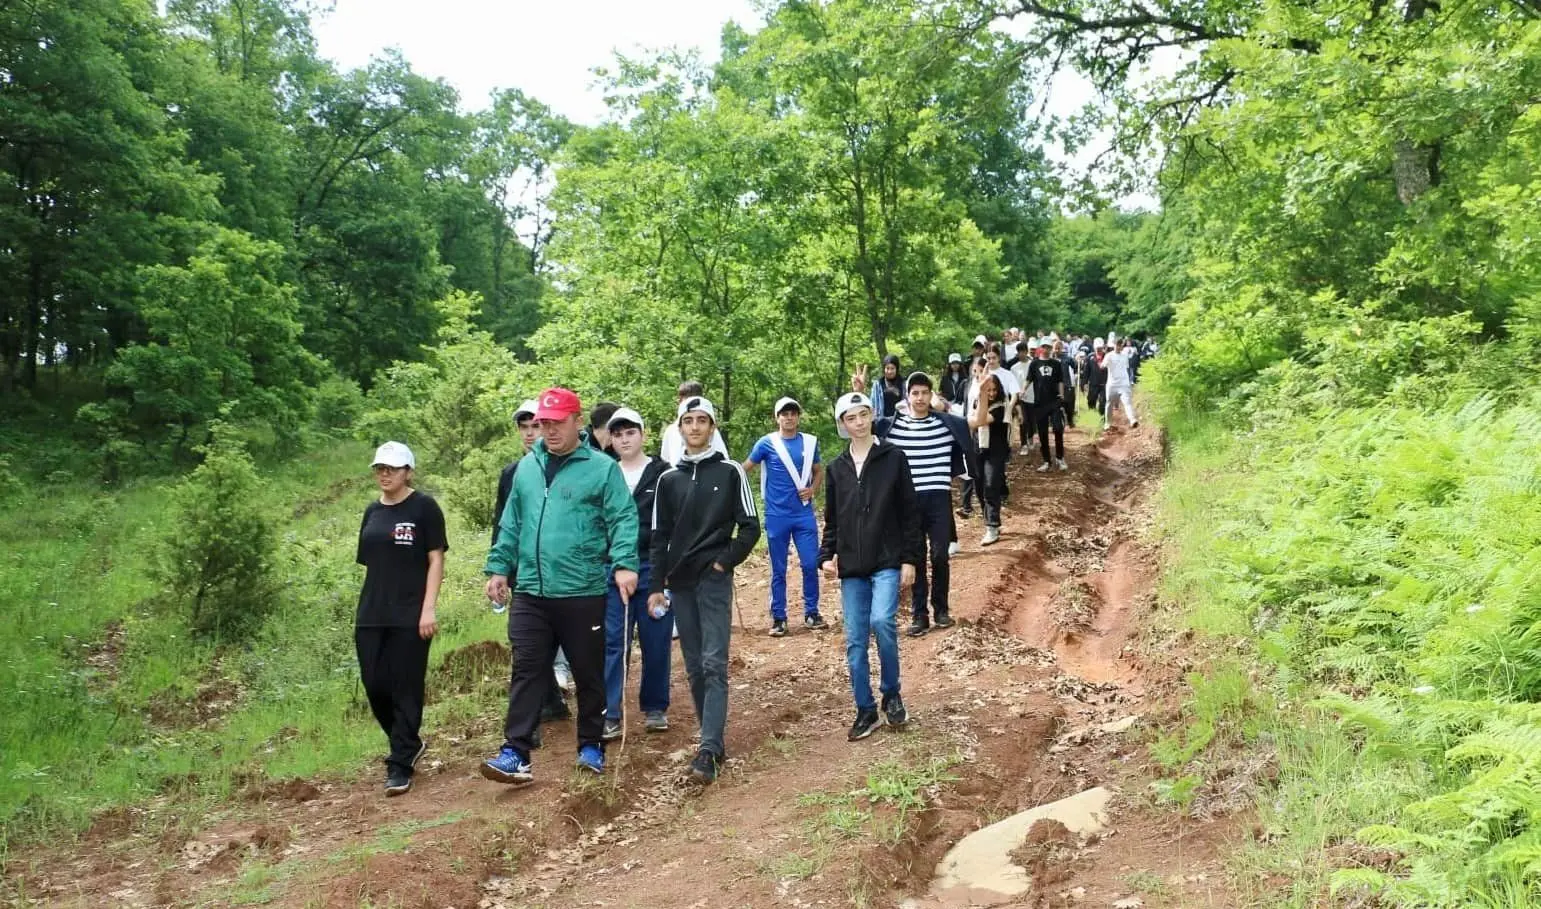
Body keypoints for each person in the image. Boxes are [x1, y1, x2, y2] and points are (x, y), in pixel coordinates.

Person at [482, 388, 640, 785]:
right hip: (532, 590)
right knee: (527, 669)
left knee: (587, 673)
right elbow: (511, 523)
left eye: (556, 423)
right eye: (543, 423)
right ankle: (515, 751)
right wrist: (499, 568)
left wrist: (624, 564)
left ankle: (590, 745)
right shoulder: (526, 469)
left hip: (581, 588)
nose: (548, 431)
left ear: (576, 421)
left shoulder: (601, 468)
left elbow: (623, 518)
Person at [649, 396, 761, 784]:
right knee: (694, 666)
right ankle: (710, 739)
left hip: (713, 580)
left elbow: (750, 526)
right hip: (679, 583)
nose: (695, 427)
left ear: (712, 427)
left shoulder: (730, 472)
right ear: (679, 428)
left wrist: (723, 561)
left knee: (714, 662)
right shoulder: (668, 479)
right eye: (688, 421)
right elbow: (658, 536)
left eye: (702, 421)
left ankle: (709, 749)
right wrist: (655, 585)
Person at [820, 392, 922, 741]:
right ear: (843, 424)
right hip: (851, 566)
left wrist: (910, 558)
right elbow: (832, 520)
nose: (859, 422)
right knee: (854, 640)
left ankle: (891, 694)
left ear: (872, 416)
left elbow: (910, 513)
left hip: (887, 560)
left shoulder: (894, 457)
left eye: (864, 414)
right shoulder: (836, 469)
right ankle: (865, 709)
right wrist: (825, 556)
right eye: (852, 417)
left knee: (882, 621)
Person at [855, 369, 976, 636]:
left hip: (939, 498)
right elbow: (862, 426)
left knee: (940, 554)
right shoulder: (893, 427)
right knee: (916, 557)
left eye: (924, 393)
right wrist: (861, 394)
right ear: (907, 396)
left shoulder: (946, 424)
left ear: (932, 395)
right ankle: (919, 614)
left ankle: (941, 610)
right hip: (907, 502)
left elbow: (974, 423)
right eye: (915, 393)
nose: (920, 398)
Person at [355, 441, 446, 796]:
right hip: (371, 613)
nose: (385, 474)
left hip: (411, 614)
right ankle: (406, 740)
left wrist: (428, 608)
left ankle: (401, 760)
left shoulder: (424, 508)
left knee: (406, 687)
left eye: (392, 468)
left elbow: (435, 559)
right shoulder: (371, 512)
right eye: (380, 468)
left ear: (408, 471)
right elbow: (372, 564)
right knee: (375, 685)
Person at [492, 399, 572, 734]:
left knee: (557, 641)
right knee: (528, 645)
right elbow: (502, 523)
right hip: (523, 571)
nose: (530, 433)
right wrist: (499, 570)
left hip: (565, 572)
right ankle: (538, 714)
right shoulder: (512, 473)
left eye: (535, 426)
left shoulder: (573, 467)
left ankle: (555, 703)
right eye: (524, 427)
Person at [601, 408, 673, 740]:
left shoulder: (662, 473)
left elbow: (674, 521)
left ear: (642, 434)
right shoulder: (604, 473)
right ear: (610, 439)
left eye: (630, 432)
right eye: (617, 434)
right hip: (613, 569)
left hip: (653, 567)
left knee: (656, 638)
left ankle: (655, 707)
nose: (624, 439)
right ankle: (611, 711)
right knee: (614, 641)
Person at [744, 397, 826, 636]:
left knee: (811, 563)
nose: (789, 417)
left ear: (798, 417)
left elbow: (818, 470)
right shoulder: (766, 443)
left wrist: (813, 489)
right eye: (784, 413)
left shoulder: (809, 443)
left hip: (804, 514)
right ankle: (779, 618)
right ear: (777, 417)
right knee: (778, 568)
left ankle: (812, 612)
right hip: (776, 515)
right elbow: (745, 467)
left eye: (793, 413)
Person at [968, 377, 1010, 546]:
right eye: (988, 390)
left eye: (994, 390)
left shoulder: (1000, 407)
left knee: (991, 485)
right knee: (978, 485)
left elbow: (982, 420)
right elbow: (971, 423)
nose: (991, 393)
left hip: (996, 451)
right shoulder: (975, 404)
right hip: (978, 449)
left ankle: (992, 526)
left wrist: (982, 400)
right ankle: (989, 518)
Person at [660, 380, 729, 465]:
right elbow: (665, 461)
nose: (694, 427)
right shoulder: (671, 431)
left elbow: (723, 461)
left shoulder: (709, 431)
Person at [1027, 339, 1069, 472]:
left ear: (1051, 348)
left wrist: (1061, 395)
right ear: (1041, 348)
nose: (1046, 349)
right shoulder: (1034, 364)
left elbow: (1060, 381)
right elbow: (1029, 379)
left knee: (1058, 428)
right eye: (1044, 347)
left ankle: (1060, 457)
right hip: (1040, 402)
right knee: (1042, 432)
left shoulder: (1056, 364)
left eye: (1048, 347)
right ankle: (1046, 460)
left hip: (1054, 400)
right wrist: (1022, 390)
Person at [1103, 339, 1139, 430]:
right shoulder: (1109, 355)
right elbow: (1102, 365)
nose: (1119, 347)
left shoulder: (1125, 355)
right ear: (1114, 345)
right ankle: (1107, 423)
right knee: (1109, 403)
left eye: (1121, 345)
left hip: (1124, 383)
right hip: (1112, 383)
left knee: (1127, 402)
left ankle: (1132, 420)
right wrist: (1104, 364)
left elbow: (1126, 367)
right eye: (1117, 345)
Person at [869, 355, 905, 421]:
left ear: (897, 369)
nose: (889, 371)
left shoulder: (903, 384)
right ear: (884, 369)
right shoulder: (878, 384)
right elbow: (872, 404)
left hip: (900, 421)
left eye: (892, 368)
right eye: (887, 368)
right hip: (881, 421)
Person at [1054, 340, 1078, 429]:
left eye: (1058, 348)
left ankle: (1070, 421)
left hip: (1067, 384)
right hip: (1054, 386)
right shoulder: (1051, 359)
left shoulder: (1067, 358)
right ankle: (1056, 423)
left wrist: (1076, 374)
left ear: (1062, 349)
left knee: (1069, 405)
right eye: (1055, 348)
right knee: (1056, 405)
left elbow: (1076, 366)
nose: (1056, 350)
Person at [1083, 339, 1107, 417]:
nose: (1098, 350)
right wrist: (1084, 383)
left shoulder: (1107, 356)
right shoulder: (1090, 357)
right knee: (1091, 400)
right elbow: (1086, 371)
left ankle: (1102, 417)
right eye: (1097, 348)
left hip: (1105, 383)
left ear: (1103, 347)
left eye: (1100, 348)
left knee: (1103, 402)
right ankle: (1092, 415)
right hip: (1093, 383)